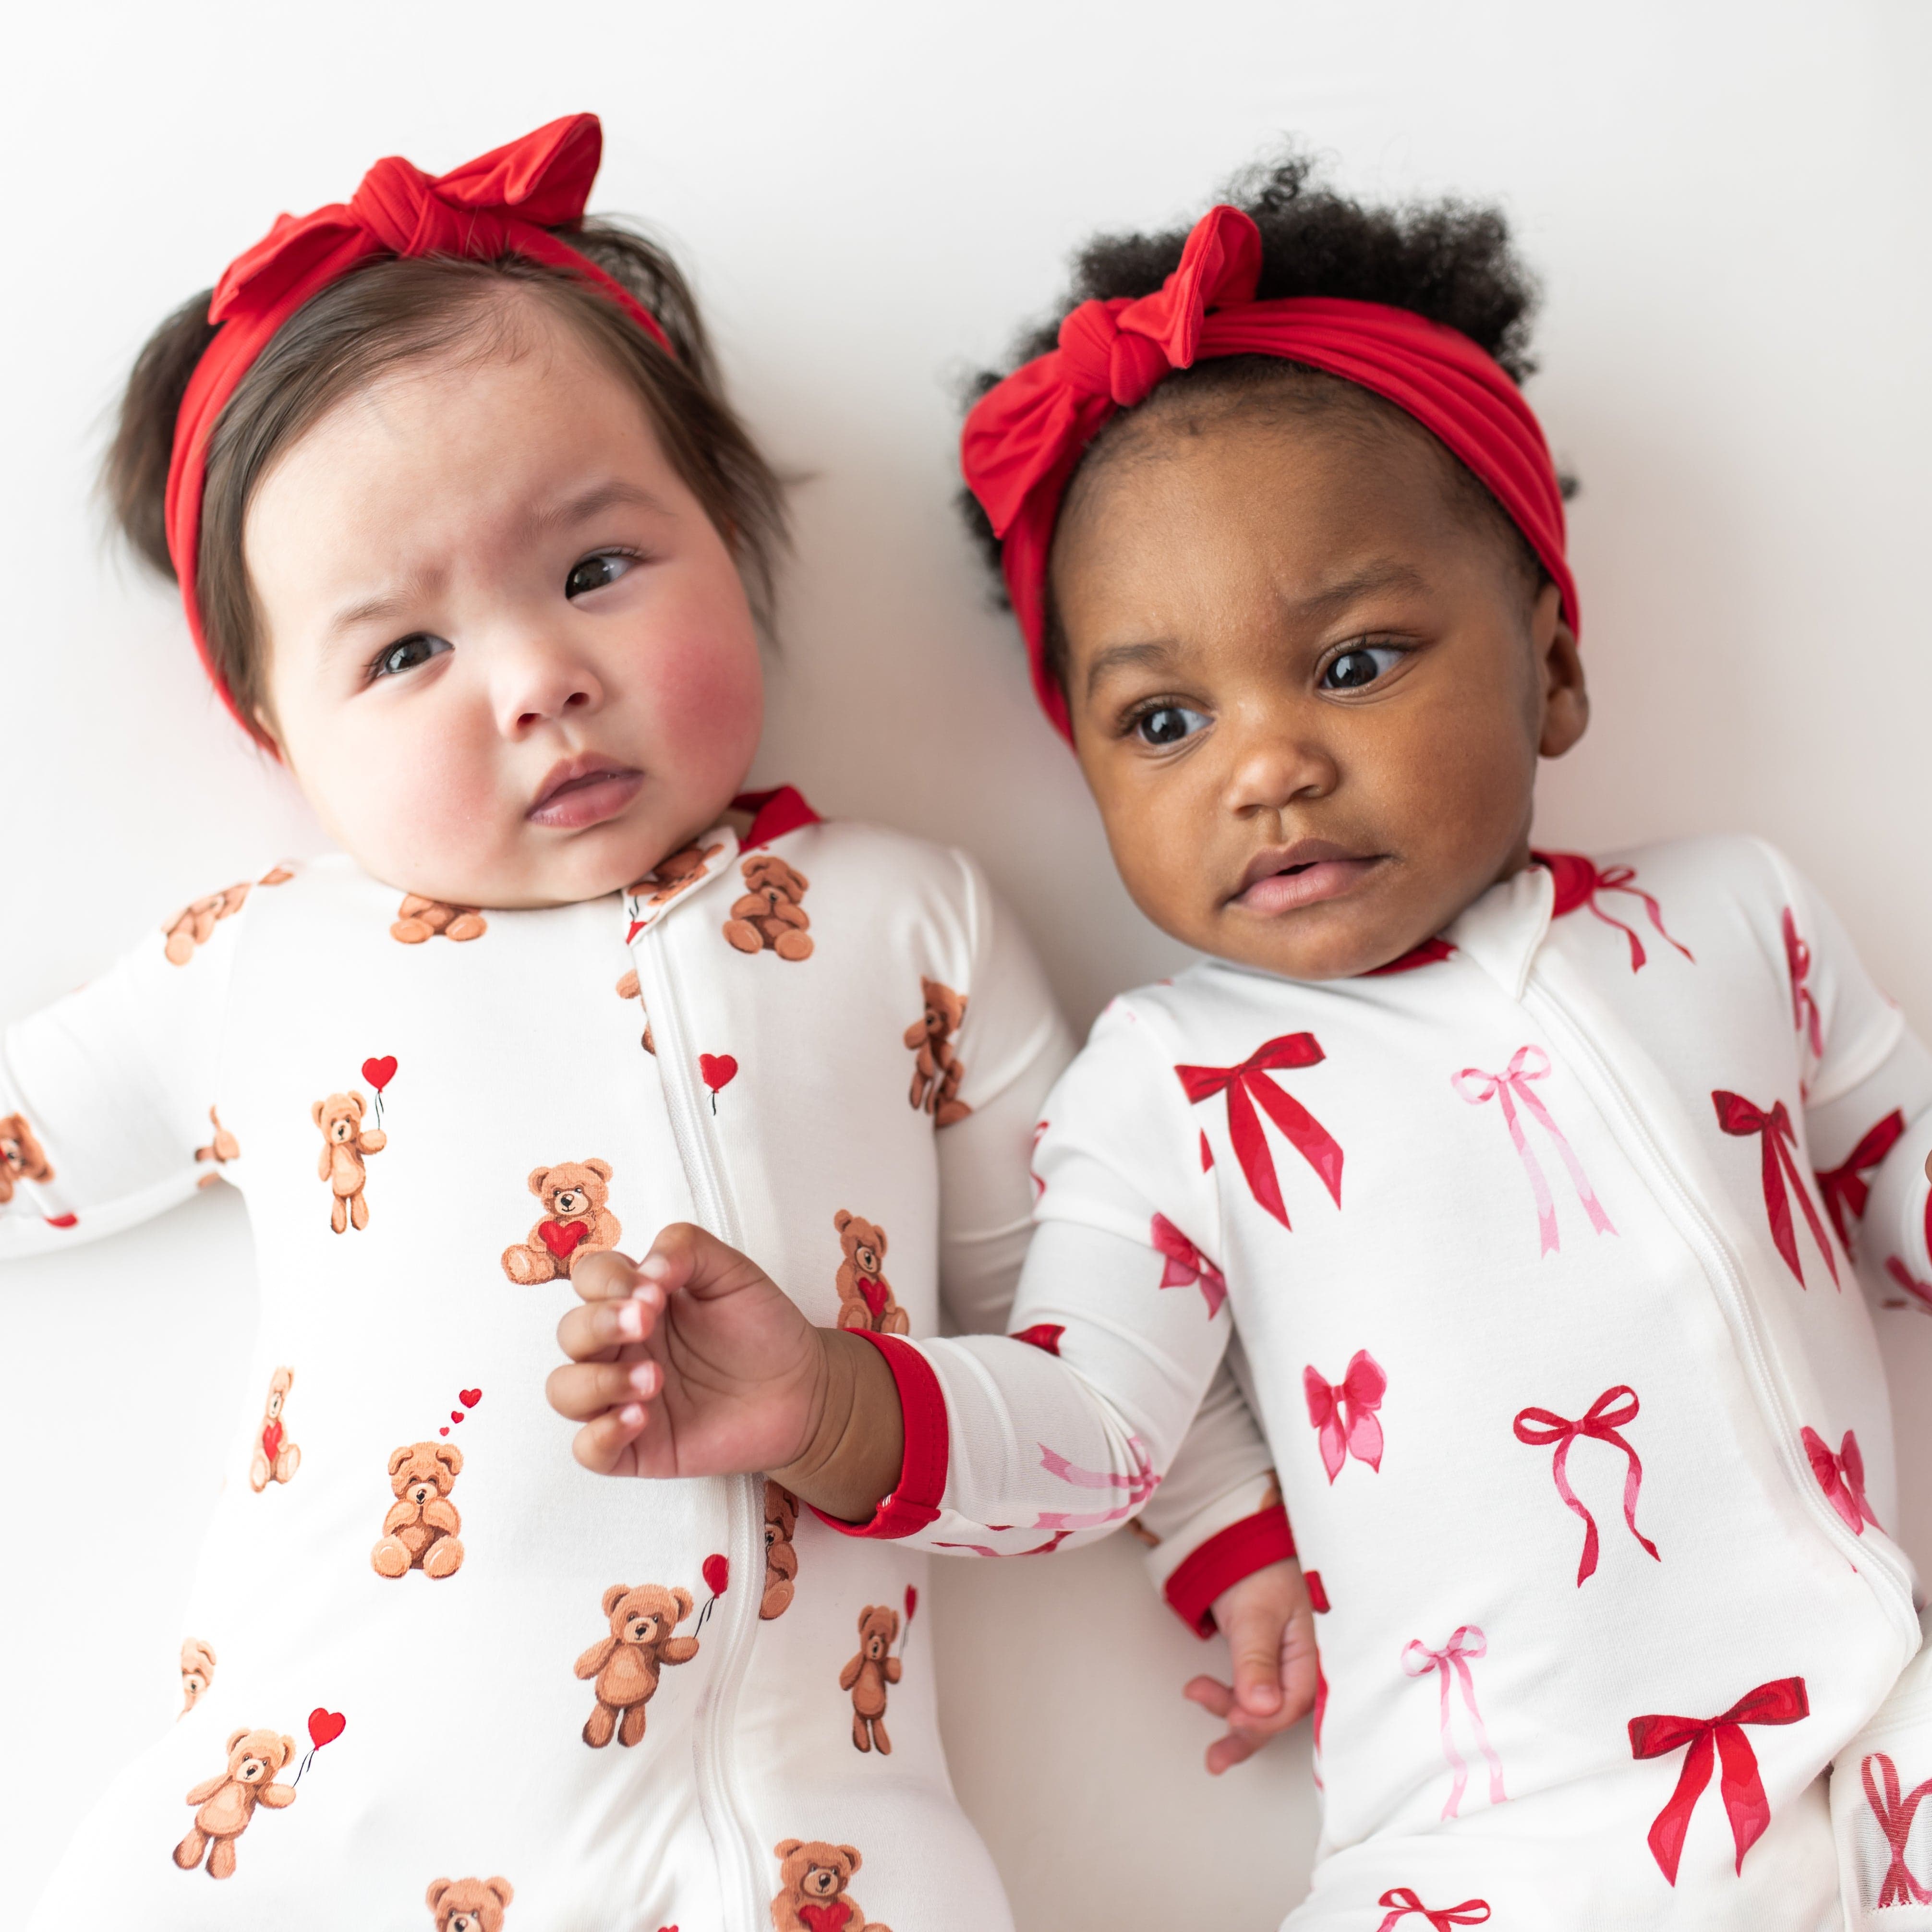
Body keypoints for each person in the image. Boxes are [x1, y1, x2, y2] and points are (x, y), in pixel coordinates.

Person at [546, 154, 1932, 1928]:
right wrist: (825, 1399)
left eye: (1353, 665)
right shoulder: (1175, 1082)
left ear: (1554, 662)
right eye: (1166, 718)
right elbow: (1091, 1423)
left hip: (1878, 1725)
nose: (1262, 768)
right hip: (1498, 1857)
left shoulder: (1737, 919)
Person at [0, 116, 1301, 1930]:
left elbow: (1084, 1301)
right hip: (315, 1822)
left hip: (803, 1847)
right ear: (281, 744)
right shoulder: (263, 961)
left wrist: (1226, 1523)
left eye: (600, 567)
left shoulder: (903, 916)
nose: (540, 678)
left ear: (733, 541)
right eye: (403, 654)